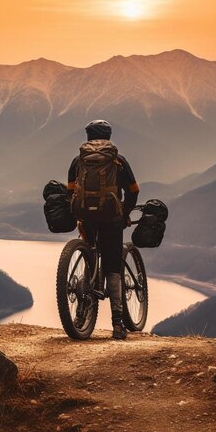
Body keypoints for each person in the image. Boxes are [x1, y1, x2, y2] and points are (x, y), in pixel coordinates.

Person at [67, 119, 139, 340]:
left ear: (88, 136)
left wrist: (82, 212)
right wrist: (124, 214)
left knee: (89, 252)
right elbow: (133, 191)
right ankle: (118, 324)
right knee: (112, 268)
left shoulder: (78, 161)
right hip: (112, 220)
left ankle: (80, 316)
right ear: (109, 135)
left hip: (86, 217)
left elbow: (70, 191)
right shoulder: (118, 161)